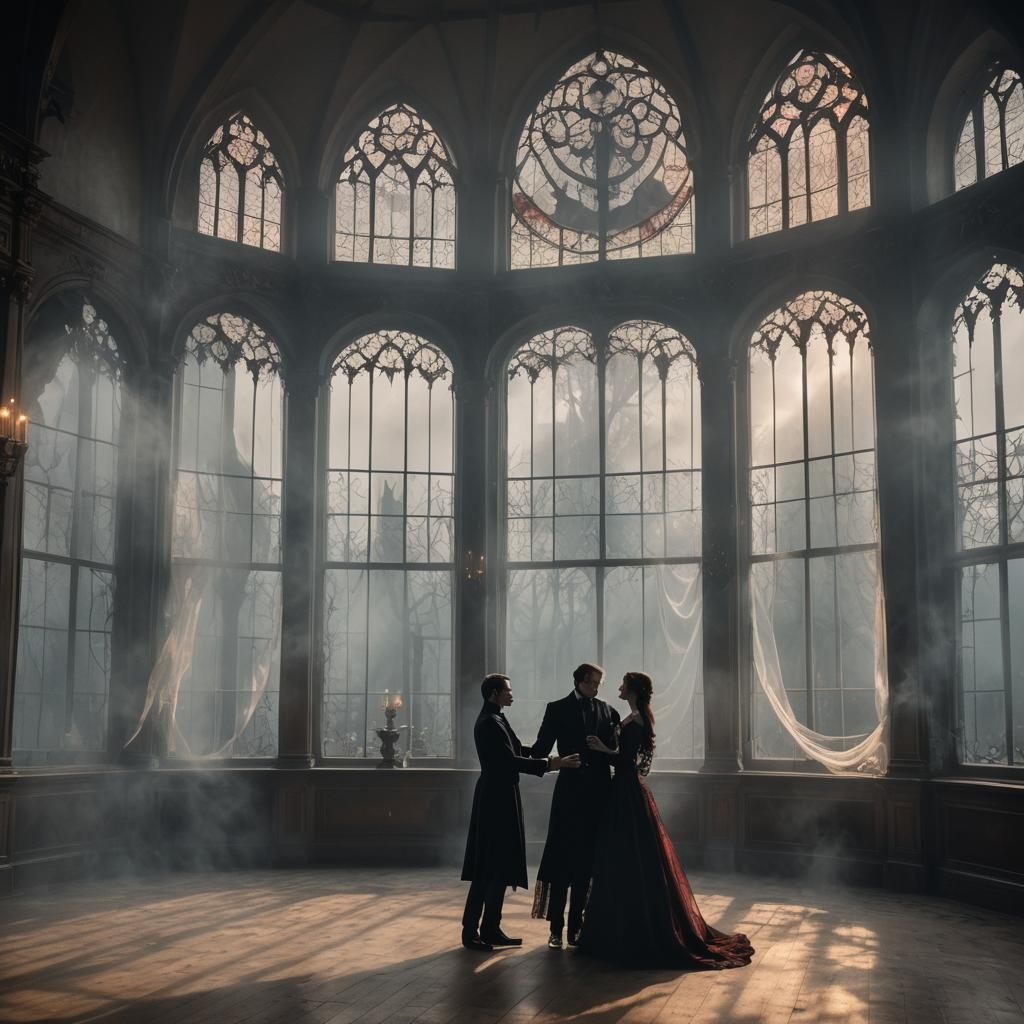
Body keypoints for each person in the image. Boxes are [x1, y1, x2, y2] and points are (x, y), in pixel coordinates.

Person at [579, 671, 754, 970]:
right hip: (626, 791)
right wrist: (608, 749)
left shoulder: (637, 720)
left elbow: (627, 762)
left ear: (633, 690)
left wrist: (601, 750)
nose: (619, 687)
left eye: (623, 684)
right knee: (629, 857)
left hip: (626, 792)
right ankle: (621, 927)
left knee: (628, 857)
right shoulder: (636, 716)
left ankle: (631, 930)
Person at [461, 673, 580, 951]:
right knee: (486, 868)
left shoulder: (497, 718)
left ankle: (490, 928)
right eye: (508, 691)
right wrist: (550, 764)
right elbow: (508, 761)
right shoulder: (489, 722)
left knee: (499, 865)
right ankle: (471, 931)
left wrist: (547, 758)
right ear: (494, 693)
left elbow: (516, 751)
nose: (512, 695)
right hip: (494, 799)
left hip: (501, 795)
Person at [529, 662, 620, 949]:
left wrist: (605, 749)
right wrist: (514, 750)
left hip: (599, 795)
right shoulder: (557, 709)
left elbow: (617, 754)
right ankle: (556, 928)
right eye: (592, 683)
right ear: (579, 681)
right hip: (569, 795)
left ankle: (577, 928)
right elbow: (541, 749)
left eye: (599, 684)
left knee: (587, 863)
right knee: (562, 860)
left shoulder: (608, 711)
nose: (596, 688)